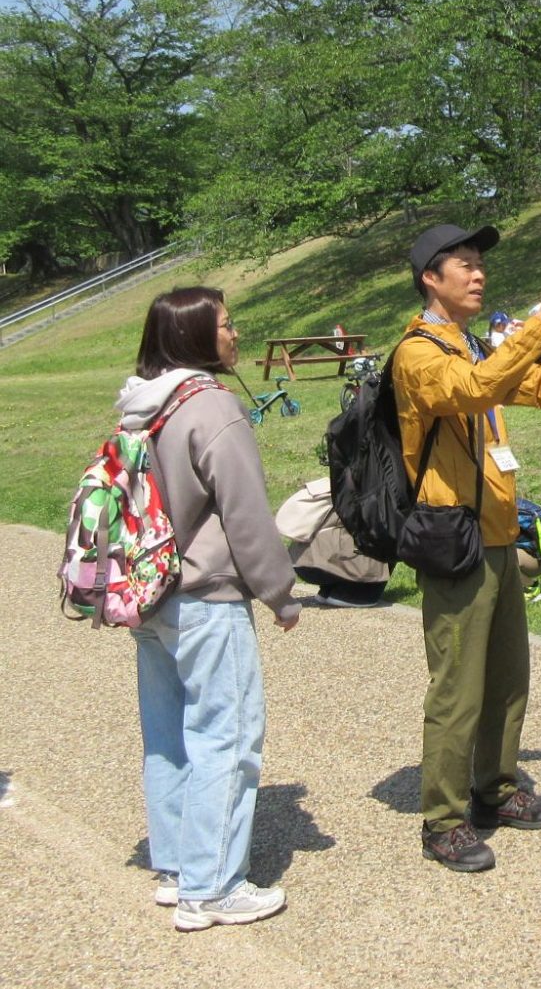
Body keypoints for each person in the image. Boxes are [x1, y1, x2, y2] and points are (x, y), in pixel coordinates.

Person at [395, 222, 541, 872]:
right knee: (457, 690)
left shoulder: (471, 346)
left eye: (479, 264)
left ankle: (495, 790)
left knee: (506, 681)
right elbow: (473, 391)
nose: (478, 273)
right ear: (430, 278)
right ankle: (442, 820)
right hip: (453, 539)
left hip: (498, 536)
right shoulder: (418, 354)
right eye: (463, 264)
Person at [119, 287, 303, 931]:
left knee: (168, 736)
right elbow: (245, 513)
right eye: (226, 326)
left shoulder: (139, 407)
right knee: (226, 734)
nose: (235, 335)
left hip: (147, 593)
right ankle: (214, 886)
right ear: (197, 338)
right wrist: (279, 594)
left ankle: (176, 867)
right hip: (206, 595)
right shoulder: (211, 406)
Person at [275, 478, 390, 607]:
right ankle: (358, 593)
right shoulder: (375, 483)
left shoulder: (340, 478)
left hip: (300, 560)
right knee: (391, 527)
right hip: (323, 563)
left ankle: (329, 590)